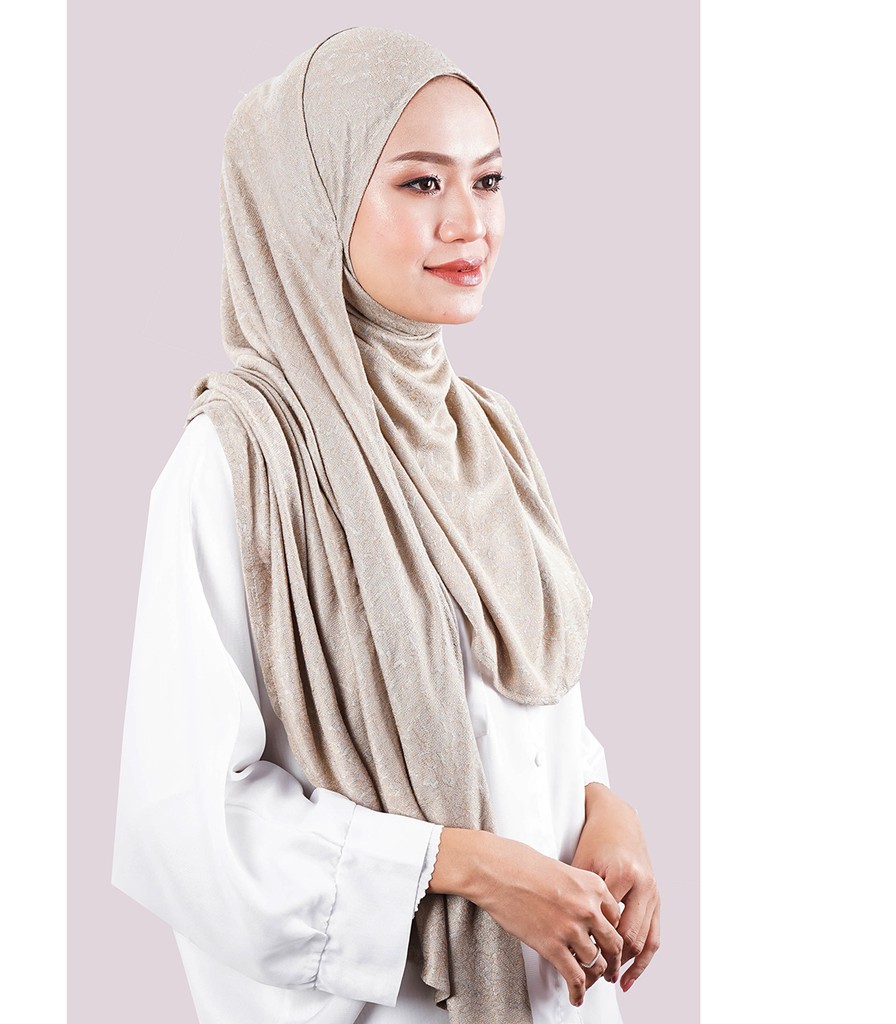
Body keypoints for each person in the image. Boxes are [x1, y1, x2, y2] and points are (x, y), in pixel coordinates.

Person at [112, 25, 659, 1024]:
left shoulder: (486, 435)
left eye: (488, 180)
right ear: (313, 202)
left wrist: (604, 813)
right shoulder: (240, 464)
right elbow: (185, 823)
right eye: (421, 182)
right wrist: (465, 867)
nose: (469, 222)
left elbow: (516, 710)